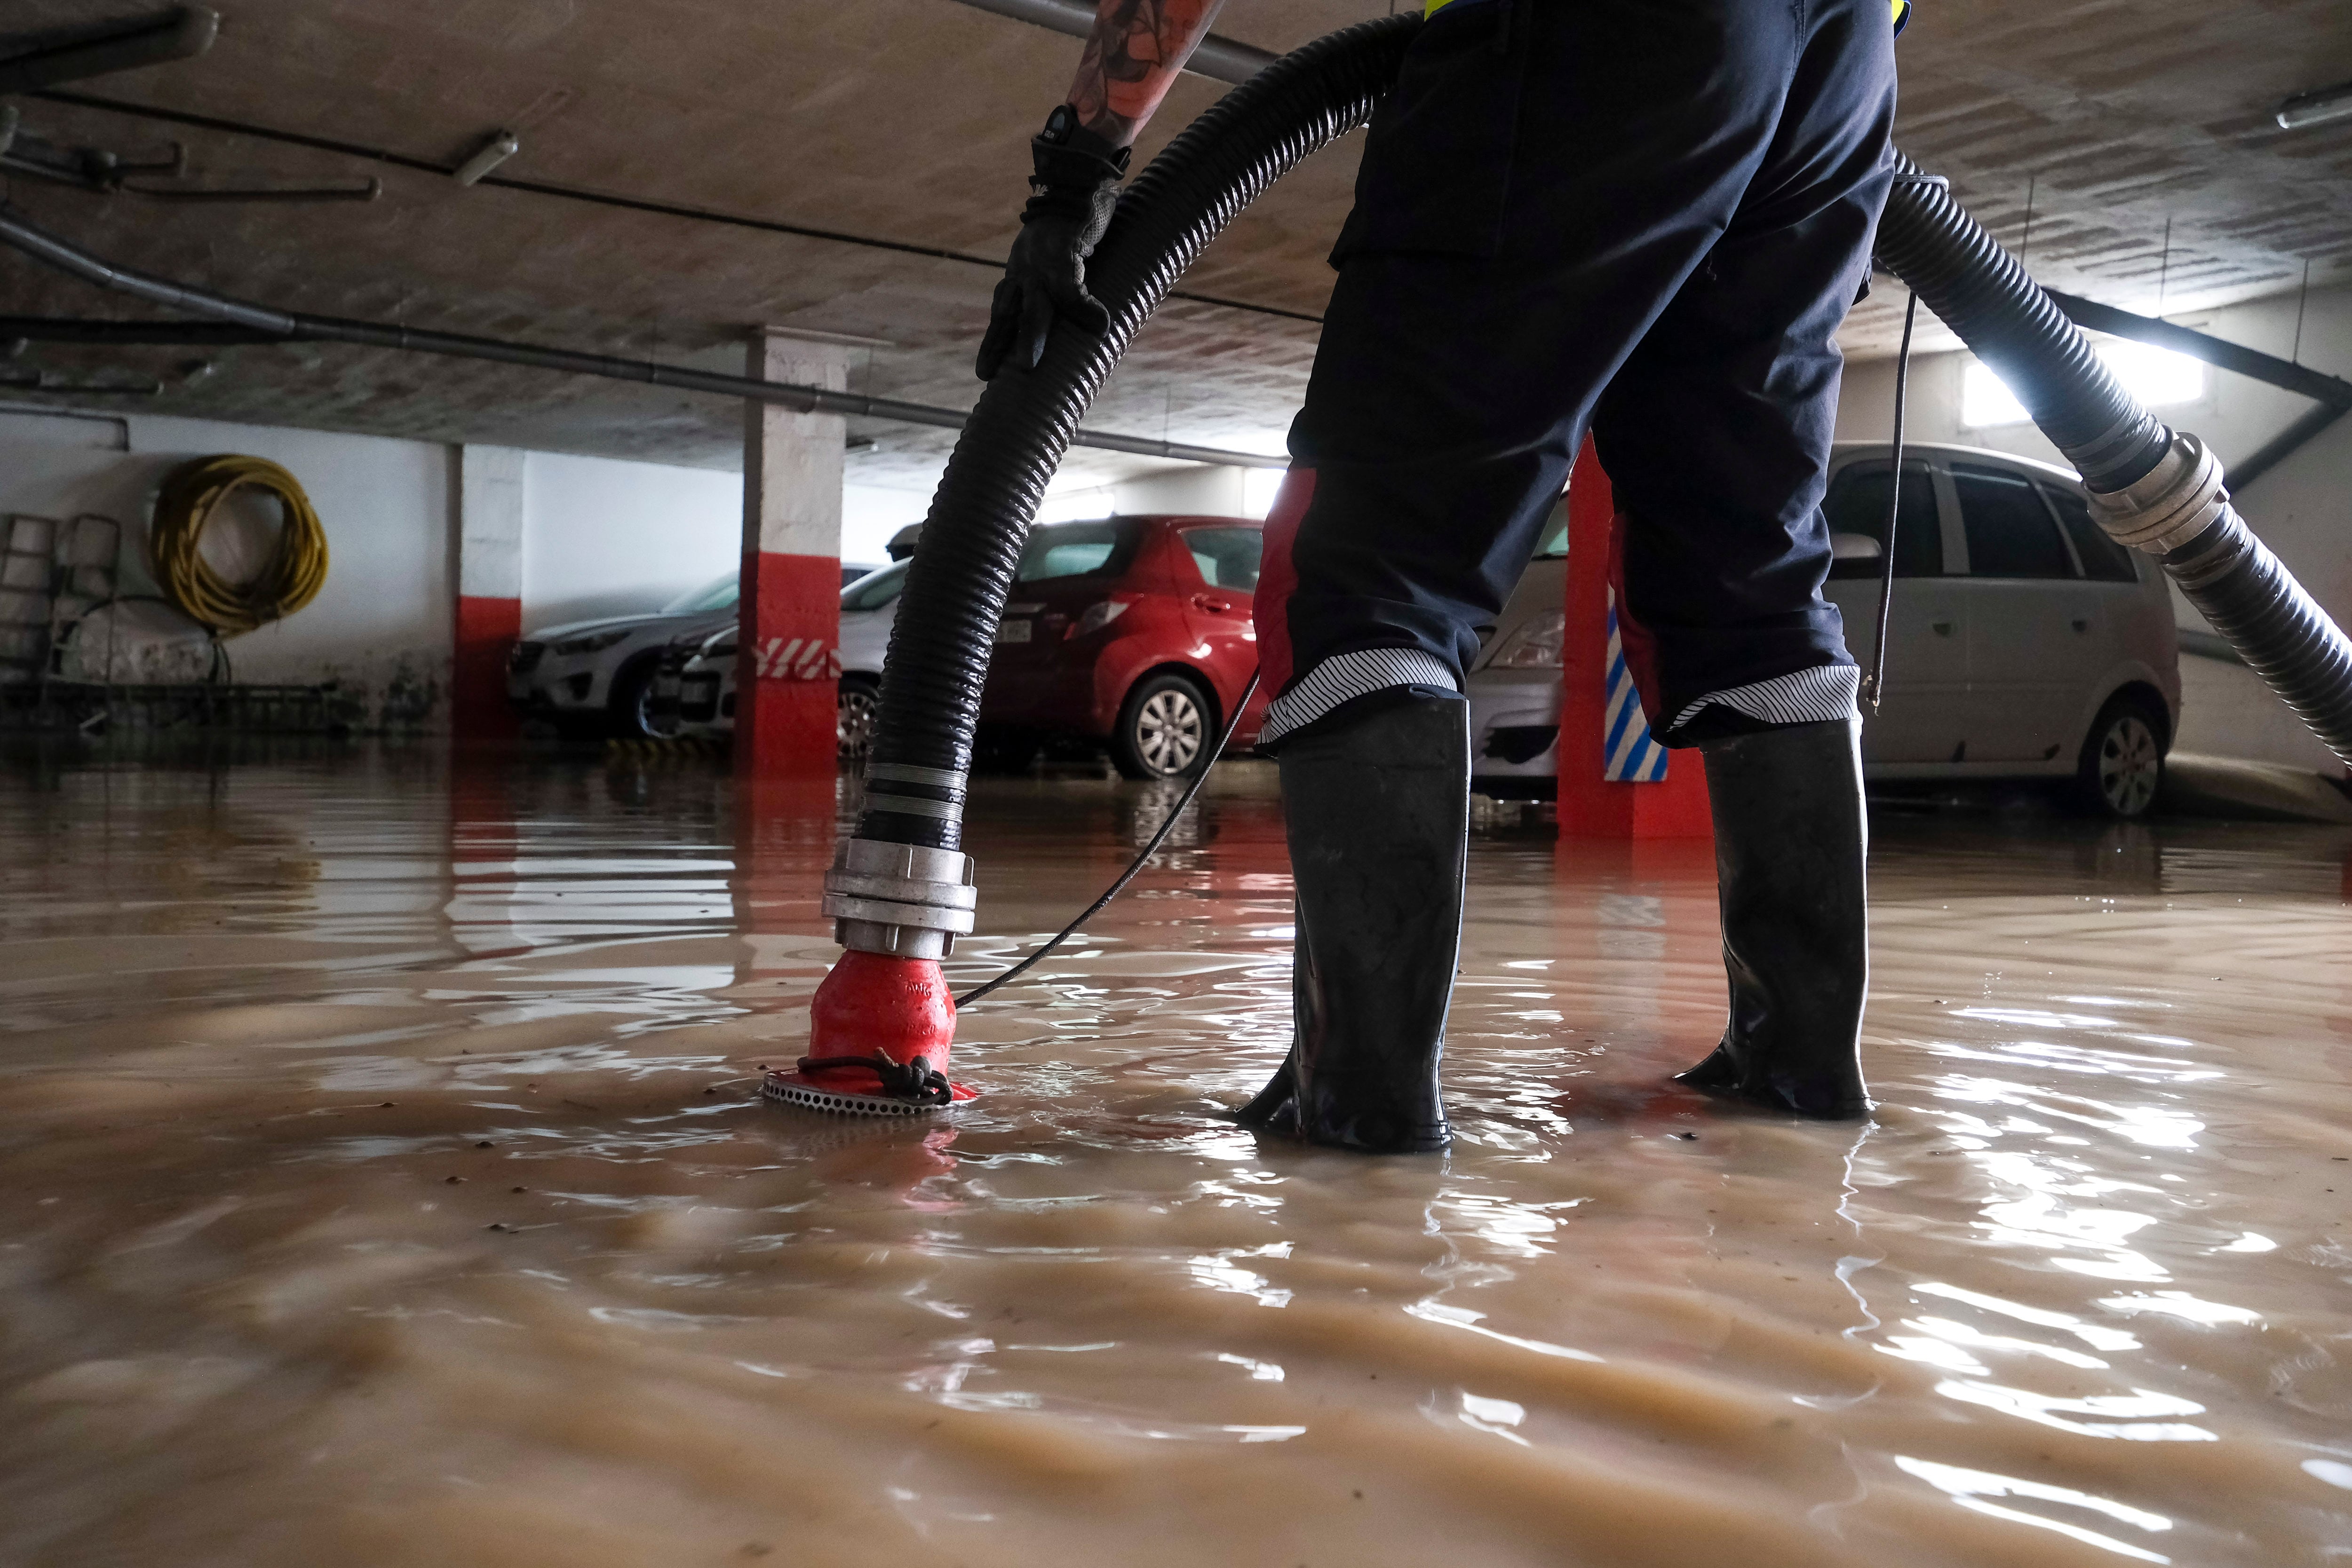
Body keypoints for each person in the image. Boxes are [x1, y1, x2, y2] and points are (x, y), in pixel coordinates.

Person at [979, 0, 1908, 1151]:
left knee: (1372, 574)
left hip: (1589, 43)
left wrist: (1077, 171)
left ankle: (1359, 1125)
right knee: (1751, 582)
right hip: (1840, 68)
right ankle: (1798, 1084)